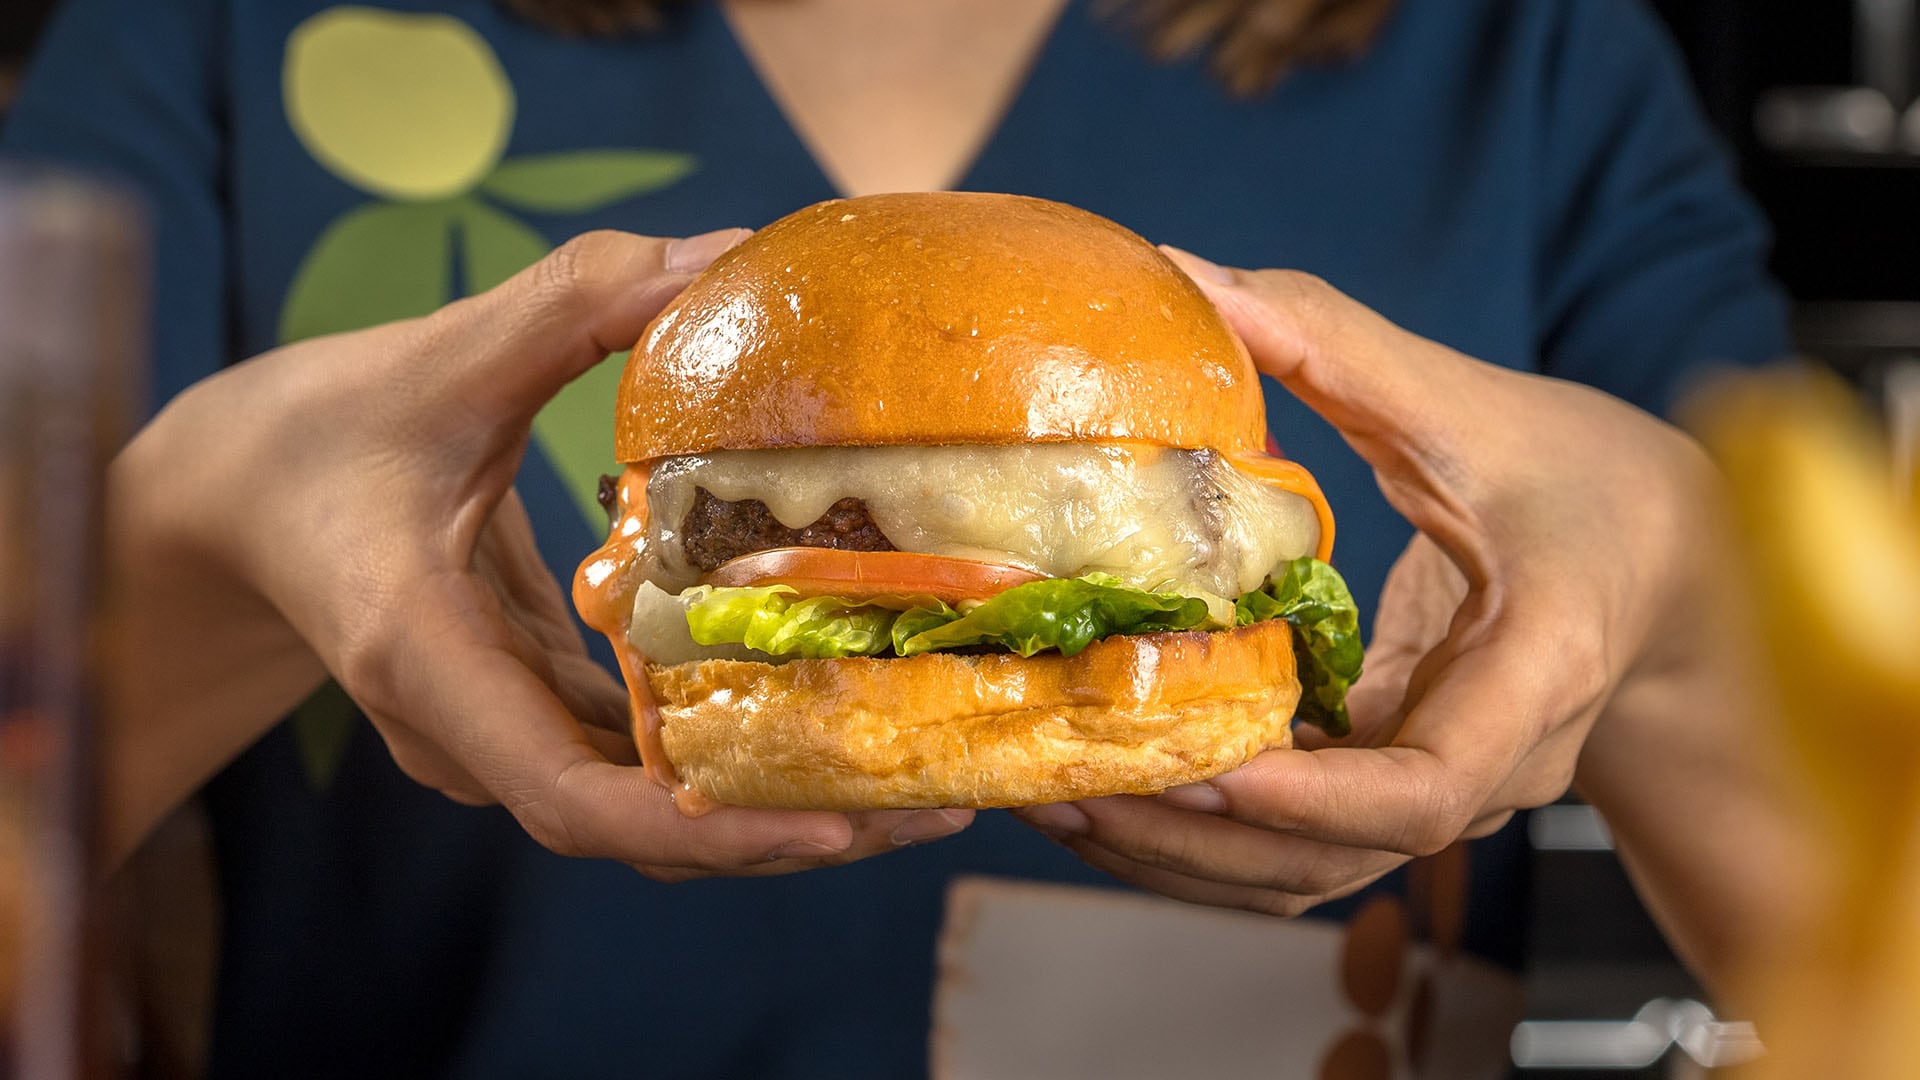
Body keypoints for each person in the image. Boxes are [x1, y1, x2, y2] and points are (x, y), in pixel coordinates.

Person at [4, 0, 1793, 1075]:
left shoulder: (1522, 47)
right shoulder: (221, 31)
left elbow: (1866, 926)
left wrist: (1691, 573)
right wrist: (187, 532)